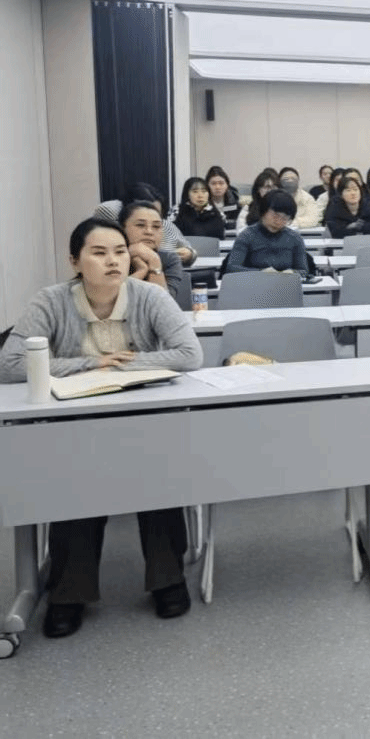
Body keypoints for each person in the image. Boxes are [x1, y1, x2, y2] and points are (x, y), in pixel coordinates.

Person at [0, 217, 202, 638]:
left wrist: (127, 363)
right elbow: (10, 363)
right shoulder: (50, 301)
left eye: (120, 252)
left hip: (144, 420)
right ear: (75, 261)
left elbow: (189, 354)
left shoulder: (149, 296)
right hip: (74, 424)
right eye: (99, 253)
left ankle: (168, 580)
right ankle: (68, 593)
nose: (113, 261)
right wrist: (91, 363)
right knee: (77, 485)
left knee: (158, 477)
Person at [93, 182, 196, 264]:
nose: (149, 231)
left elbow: (190, 250)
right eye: (141, 224)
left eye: (156, 213)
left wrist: (189, 254)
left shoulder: (165, 225)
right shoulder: (112, 214)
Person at [225, 190, 308, 275]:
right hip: (254, 282)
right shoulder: (246, 236)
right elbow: (232, 268)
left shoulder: (294, 238)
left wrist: (293, 272)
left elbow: (304, 271)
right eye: (275, 215)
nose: (279, 221)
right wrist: (261, 273)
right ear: (263, 211)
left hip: (286, 282)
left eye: (285, 218)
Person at [119, 201, 187, 303]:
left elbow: (163, 305)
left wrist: (154, 261)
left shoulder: (169, 259)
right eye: (140, 225)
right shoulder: (112, 258)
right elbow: (110, 301)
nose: (149, 232)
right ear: (122, 228)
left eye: (156, 227)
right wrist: (141, 272)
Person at [323, 175, 370, 239]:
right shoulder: (334, 208)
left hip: (369, 241)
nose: (353, 193)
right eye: (348, 190)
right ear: (341, 194)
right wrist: (350, 228)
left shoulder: (369, 205)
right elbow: (334, 231)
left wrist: (362, 226)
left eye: (355, 189)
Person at [171, 176, 225, 240]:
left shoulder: (218, 214)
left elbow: (221, 239)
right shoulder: (177, 211)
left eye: (204, 191)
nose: (200, 196)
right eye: (195, 192)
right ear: (187, 194)